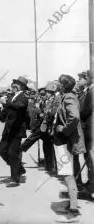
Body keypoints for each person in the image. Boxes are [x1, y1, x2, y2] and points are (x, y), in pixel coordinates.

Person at [53, 74, 86, 223]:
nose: (57, 84)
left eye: (59, 82)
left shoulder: (69, 97)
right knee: (66, 173)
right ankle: (72, 205)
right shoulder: (66, 95)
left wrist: (63, 130)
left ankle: (73, 212)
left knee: (67, 174)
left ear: (63, 85)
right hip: (63, 140)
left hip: (66, 140)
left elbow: (75, 117)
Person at [0, 76, 29, 187]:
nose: (14, 85)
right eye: (14, 83)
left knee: (12, 153)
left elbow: (19, 107)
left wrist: (6, 102)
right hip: (8, 129)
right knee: (2, 150)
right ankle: (19, 168)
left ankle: (15, 179)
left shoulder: (23, 97)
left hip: (17, 130)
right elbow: (5, 112)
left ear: (22, 87)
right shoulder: (11, 97)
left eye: (17, 84)